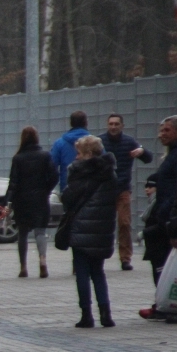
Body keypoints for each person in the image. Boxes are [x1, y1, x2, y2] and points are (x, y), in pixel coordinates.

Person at [61, 135, 118, 328]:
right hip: (102, 230)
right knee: (98, 273)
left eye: (78, 153)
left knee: (82, 273)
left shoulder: (80, 172)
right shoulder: (110, 173)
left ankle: (87, 315)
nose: (76, 157)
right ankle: (106, 314)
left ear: (87, 154)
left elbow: (68, 197)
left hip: (81, 229)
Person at [101, 113, 153, 270]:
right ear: (107, 125)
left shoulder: (129, 142)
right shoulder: (100, 141)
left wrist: (141, 151)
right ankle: (99, 255)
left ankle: (125, 258)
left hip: (123, 188)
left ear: (122, 126)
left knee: (124, 222)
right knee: (102, 224)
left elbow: (148, 158)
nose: (113, 127)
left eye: (116, 124)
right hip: (104, 189)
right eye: (111, 124)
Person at [6, 126, 59, 278]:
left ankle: (23, 266)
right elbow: (54, 175)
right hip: (40, 199)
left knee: (22, 233)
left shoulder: (18, 158)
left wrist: (8, 200)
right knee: (40, 231)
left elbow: (13, 182)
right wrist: (47, 189)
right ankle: (42, 261)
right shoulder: (45, 156)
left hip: (22, 200)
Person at [140, 116, 177, 320]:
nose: (161, 134)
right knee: (160, 261)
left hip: (170, 218)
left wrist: (170, 219)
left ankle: (168, 304)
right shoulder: (170, 155)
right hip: (166, 216)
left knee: (163, 261)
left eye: (166, 130)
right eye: (161, 130)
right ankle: (163, 302)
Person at [50, 110, 91, 191]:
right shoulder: (95, 143)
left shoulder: (59, 143)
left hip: (67, 189)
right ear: (86, 123)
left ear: (71, 123)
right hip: (90, 189)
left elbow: (51, 167)